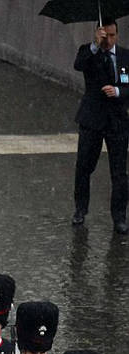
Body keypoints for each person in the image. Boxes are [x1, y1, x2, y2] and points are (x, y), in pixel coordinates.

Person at [72, 17, 129, 234]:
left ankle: (119, 217)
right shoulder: (89, 52)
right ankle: (80, 209)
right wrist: (95, 45)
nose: (109, 40)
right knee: (84, 167)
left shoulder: (125, 55)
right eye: (106, 36)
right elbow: (79, 65)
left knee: (119, 173)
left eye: (113, 35)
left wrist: (118, 92)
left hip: (117, 122)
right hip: (92, 119)